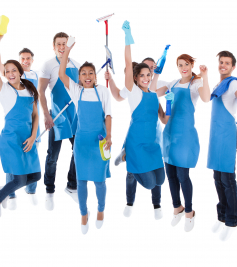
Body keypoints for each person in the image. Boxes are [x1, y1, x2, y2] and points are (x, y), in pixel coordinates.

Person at [0, 21, 41, 218]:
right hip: (11, 140)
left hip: (27, 139)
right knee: (19, 180)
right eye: (7, 71)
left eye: (14, 70)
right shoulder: (4, 90)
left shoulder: (30, 89)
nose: (10, 73)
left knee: (36, 176)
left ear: (20, 72)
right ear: (5, 75)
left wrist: (33, 137)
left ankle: (5, 189)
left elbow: (35, 115)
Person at [150, 53, 211, 232]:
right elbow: (152, 92)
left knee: (183, 176)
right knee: (171, 175)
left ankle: (190, 211)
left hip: (185, 137)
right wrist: (156, 74)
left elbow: (206, 98)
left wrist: (205, 76)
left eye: (186, 64)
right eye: (179, 65)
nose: (183, 67)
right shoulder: (173, 84)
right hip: (169, 135)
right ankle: (177, 207)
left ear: (192, 65)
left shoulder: (196, 83)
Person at [59, 38, 112, 234]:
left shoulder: (103, 91)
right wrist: (67, 51)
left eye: (91, 73)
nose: (87, 76)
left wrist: (109, 137)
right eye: (83, 73)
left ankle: (101, 209)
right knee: (81, 181)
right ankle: (83, 213)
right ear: (79, 77)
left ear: (95, 77)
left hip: (100, 142)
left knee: (99, 180)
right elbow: (61, 73)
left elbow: (108, 115)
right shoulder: (76, 91)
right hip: (81, 142)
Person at [105, 56, 169, 220]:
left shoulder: (154, 88)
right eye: (143, 73)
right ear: (136, 75)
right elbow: (118, 95)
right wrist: (110, 79)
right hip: (137, 137)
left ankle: (157, 204)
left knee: (159, 179)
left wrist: (170, 100)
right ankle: (130, 201)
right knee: (138, 175)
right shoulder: (133, 89)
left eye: (150, 71)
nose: (147, 76)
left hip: (153, 139)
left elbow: (163, 115)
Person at [208, 51, 237, 241]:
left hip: (227, 135)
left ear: (233, 66)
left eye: (227, 63)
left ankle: (232, 220)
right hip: (216, 135)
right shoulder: (219, 84)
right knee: (217, 177)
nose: (223, 65)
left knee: (227, 177)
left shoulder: (233, 83)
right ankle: (223, 215)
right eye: (221, 62)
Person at [0, 27, 40, 208]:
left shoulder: (32, 79)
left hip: (29, 127)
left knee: (32, 171)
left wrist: (34, 133)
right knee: (17, 170)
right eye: (23, 58)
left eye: (28, 58)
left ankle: (19, 189)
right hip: (14, 132)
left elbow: (36, 106)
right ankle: (8, 193)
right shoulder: (9, 82)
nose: (26, 61)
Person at [38, 32, 81, 210]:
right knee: (52, 157)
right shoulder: (48, 65)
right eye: (59, 44)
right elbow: (41, 91)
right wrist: (46, 116)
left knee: (78, 150)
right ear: (54, 47)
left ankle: (72, 186)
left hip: (75, 116)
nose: (62, 47)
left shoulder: (77, 65)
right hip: (56, 116)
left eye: (65, 44)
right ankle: (49, 190)